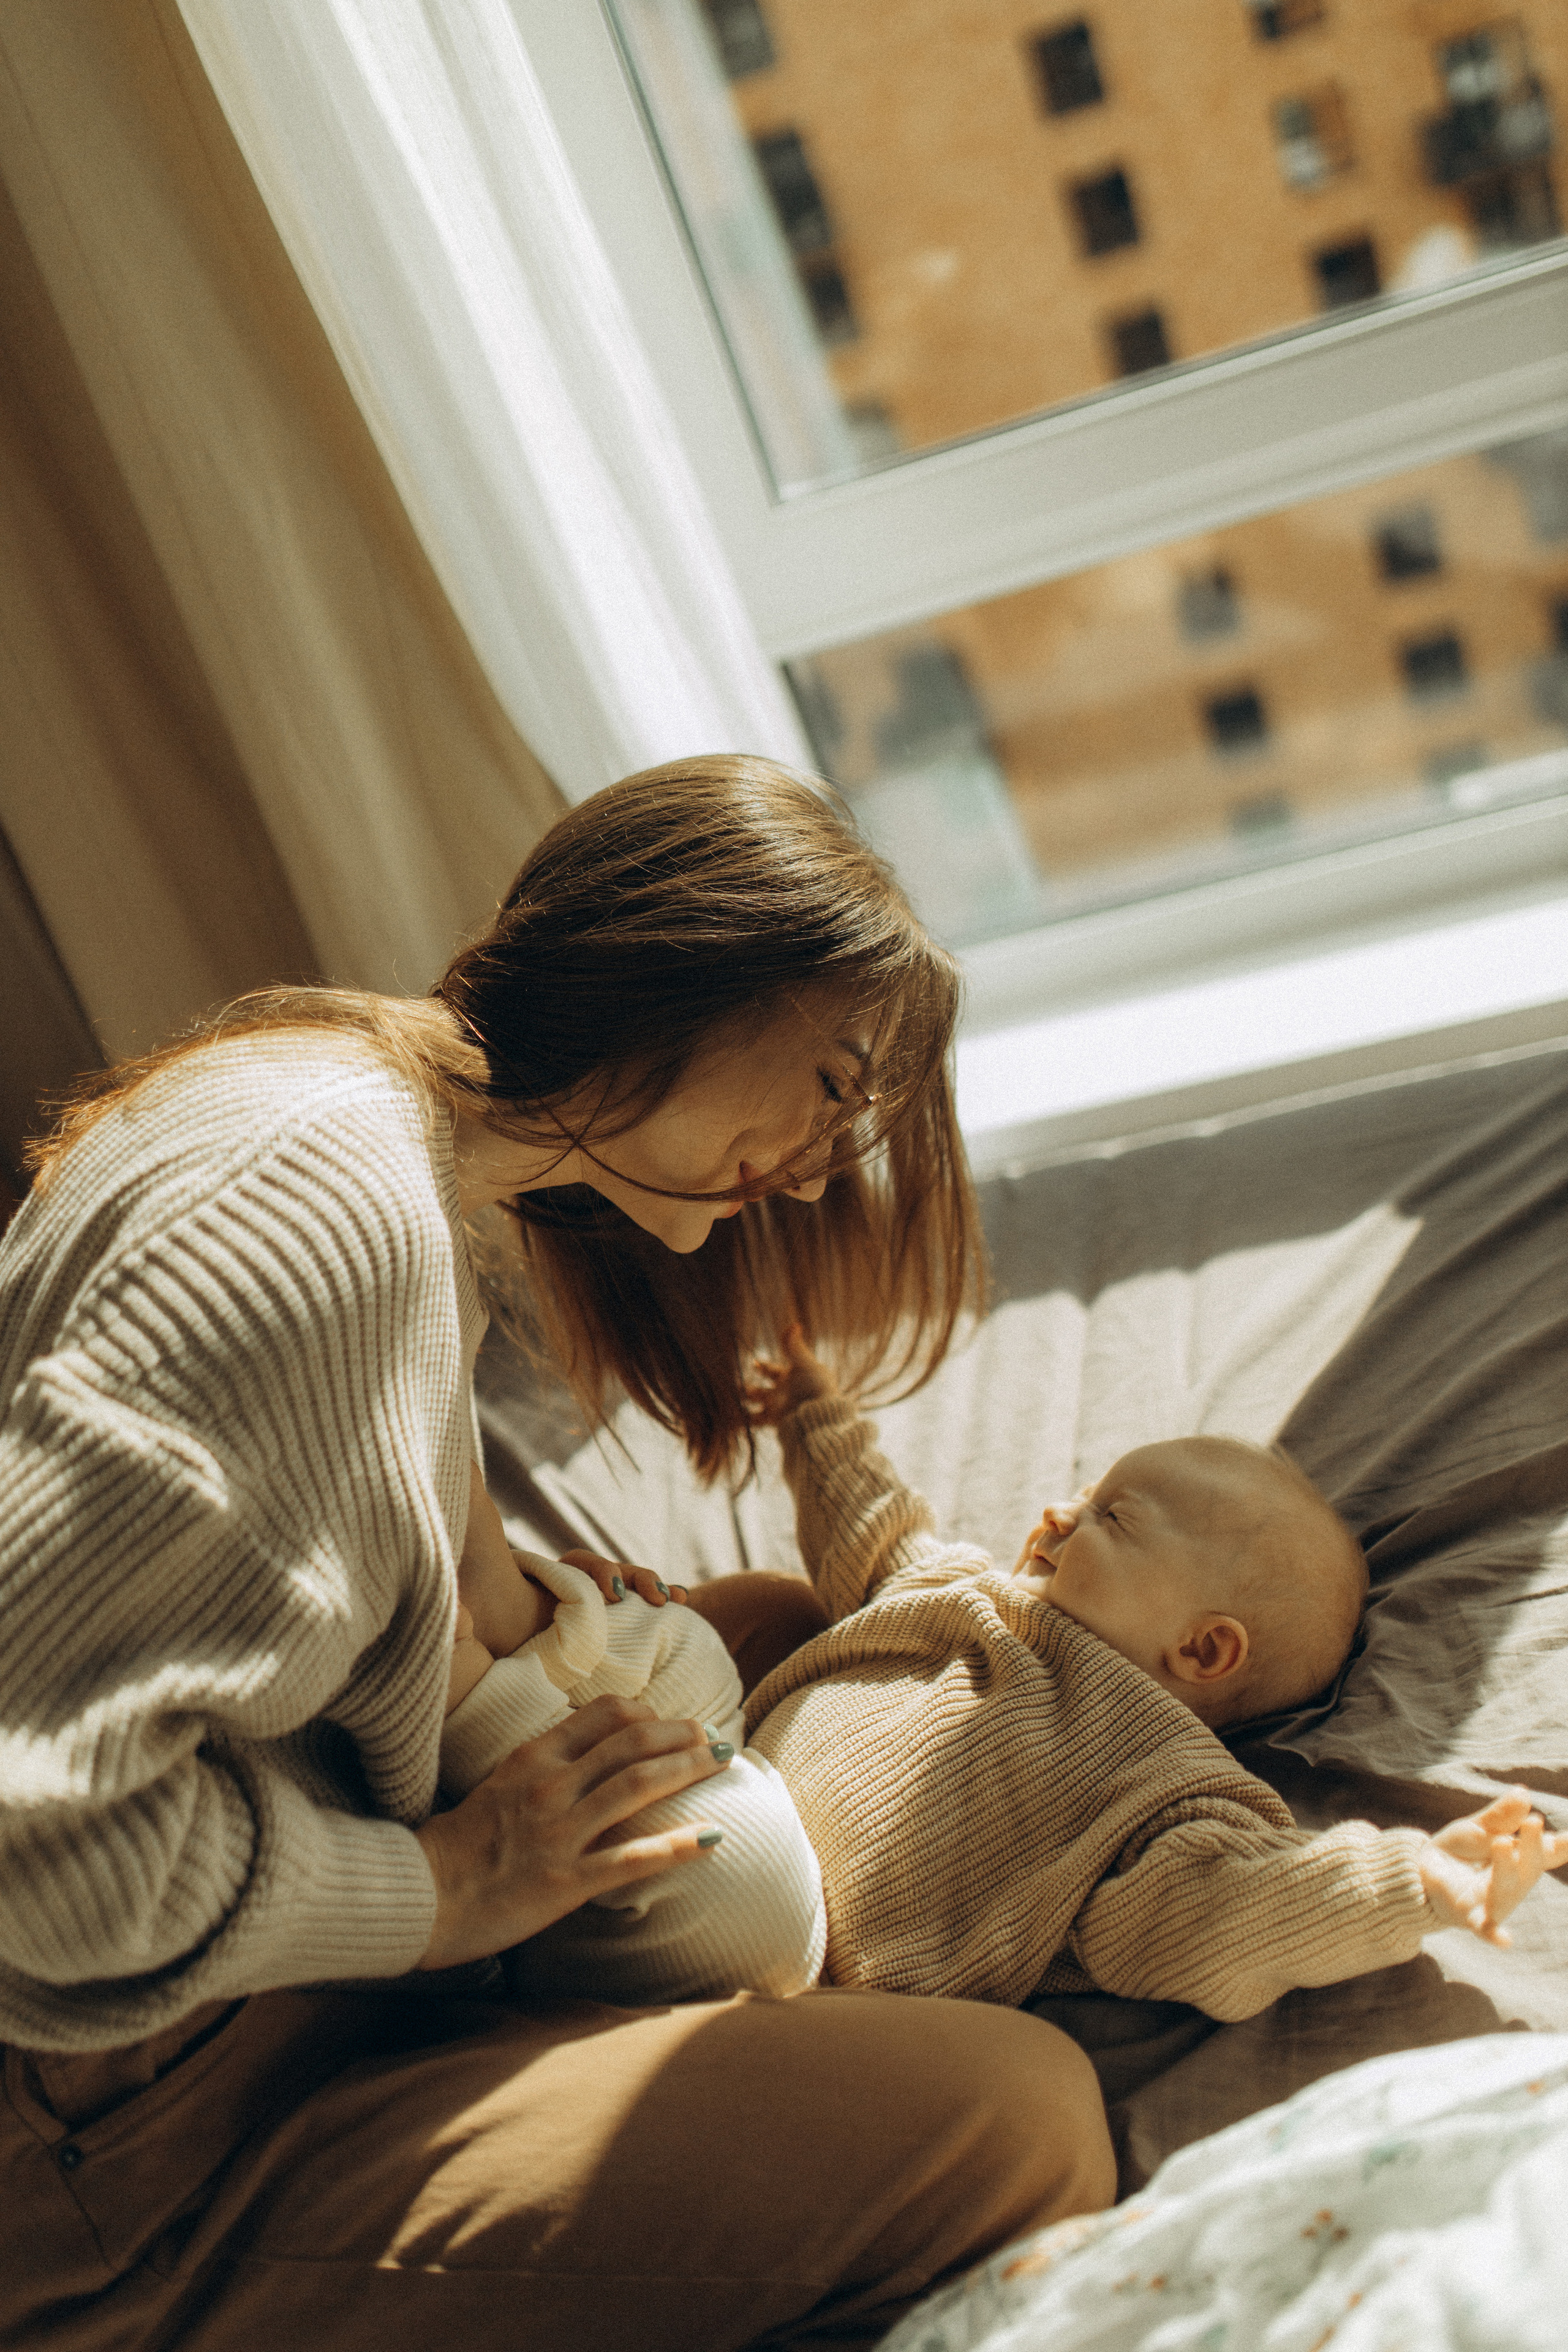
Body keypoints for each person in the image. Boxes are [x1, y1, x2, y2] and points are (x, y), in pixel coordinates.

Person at [0, 758, 1115, 2352]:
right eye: (833, 1082)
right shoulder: (325, 1220)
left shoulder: (342, 1102)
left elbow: (272, 1550)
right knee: (1025, 2118)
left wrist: (527, 1624)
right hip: (120, 2129)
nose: (821, 1163)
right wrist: (449, 1893)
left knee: (781, 1618)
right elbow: (36, 1855)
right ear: (686, 973)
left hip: (228, 1936)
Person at [726, 1327, 1568, 2019]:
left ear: (1202, 1650)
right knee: (708, 1625)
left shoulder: (1155, 1786)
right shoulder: (960, 1587)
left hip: (802, 1960)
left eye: (1112, 1517)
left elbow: (1234, 1911)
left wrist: (1405, 1881)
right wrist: (813, 1411)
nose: (1060, 1512)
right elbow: (871, 1528)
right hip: (714, 1785)